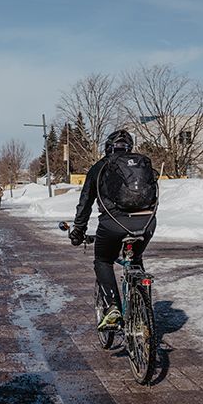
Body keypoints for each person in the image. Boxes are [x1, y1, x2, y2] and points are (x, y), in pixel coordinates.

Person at [69, 130, 158, 331]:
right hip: (147, 223)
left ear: (108, 147)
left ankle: (112, 308)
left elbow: (85, 203)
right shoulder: (142, 165)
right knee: (135, 258)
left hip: (114, 224)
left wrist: (78, 231)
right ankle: (142, 309)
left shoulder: (100, 167)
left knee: (103, 261)